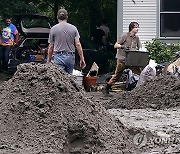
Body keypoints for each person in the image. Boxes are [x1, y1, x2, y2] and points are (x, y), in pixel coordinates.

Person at [103, 21, 142, 95]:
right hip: (122, 59)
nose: (137, 29)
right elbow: (116, 45)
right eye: (136, 27)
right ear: (131, 28)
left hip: (132, 60)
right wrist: (122, 46)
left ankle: (141, 89)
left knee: (139, 73)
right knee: (117, 75)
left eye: (138, 27)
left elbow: (140, 47)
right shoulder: (125, 36)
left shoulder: (136, 38)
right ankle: (107, 88)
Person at [47, 8, 86, 74]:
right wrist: (82, 59)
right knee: (69, 79)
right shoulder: (74, 28)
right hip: (70, 57)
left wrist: (48, 60)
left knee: (59, 79)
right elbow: (78, 44)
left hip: (58, 57)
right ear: (67, 17)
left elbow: (51, 46)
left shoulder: (53, 29)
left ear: (57, 17)